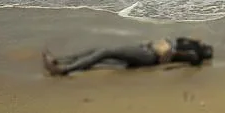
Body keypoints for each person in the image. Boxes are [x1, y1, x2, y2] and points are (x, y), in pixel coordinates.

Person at [42, 37, 213, 76]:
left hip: (149, 55)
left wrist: (171, 51)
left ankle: (63, 70)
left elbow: (191, 58)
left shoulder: (193, 53)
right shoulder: (188, 43)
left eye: (204, 46)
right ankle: (60, 60)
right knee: (100, 51)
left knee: (105, 52)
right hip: (145, 50)